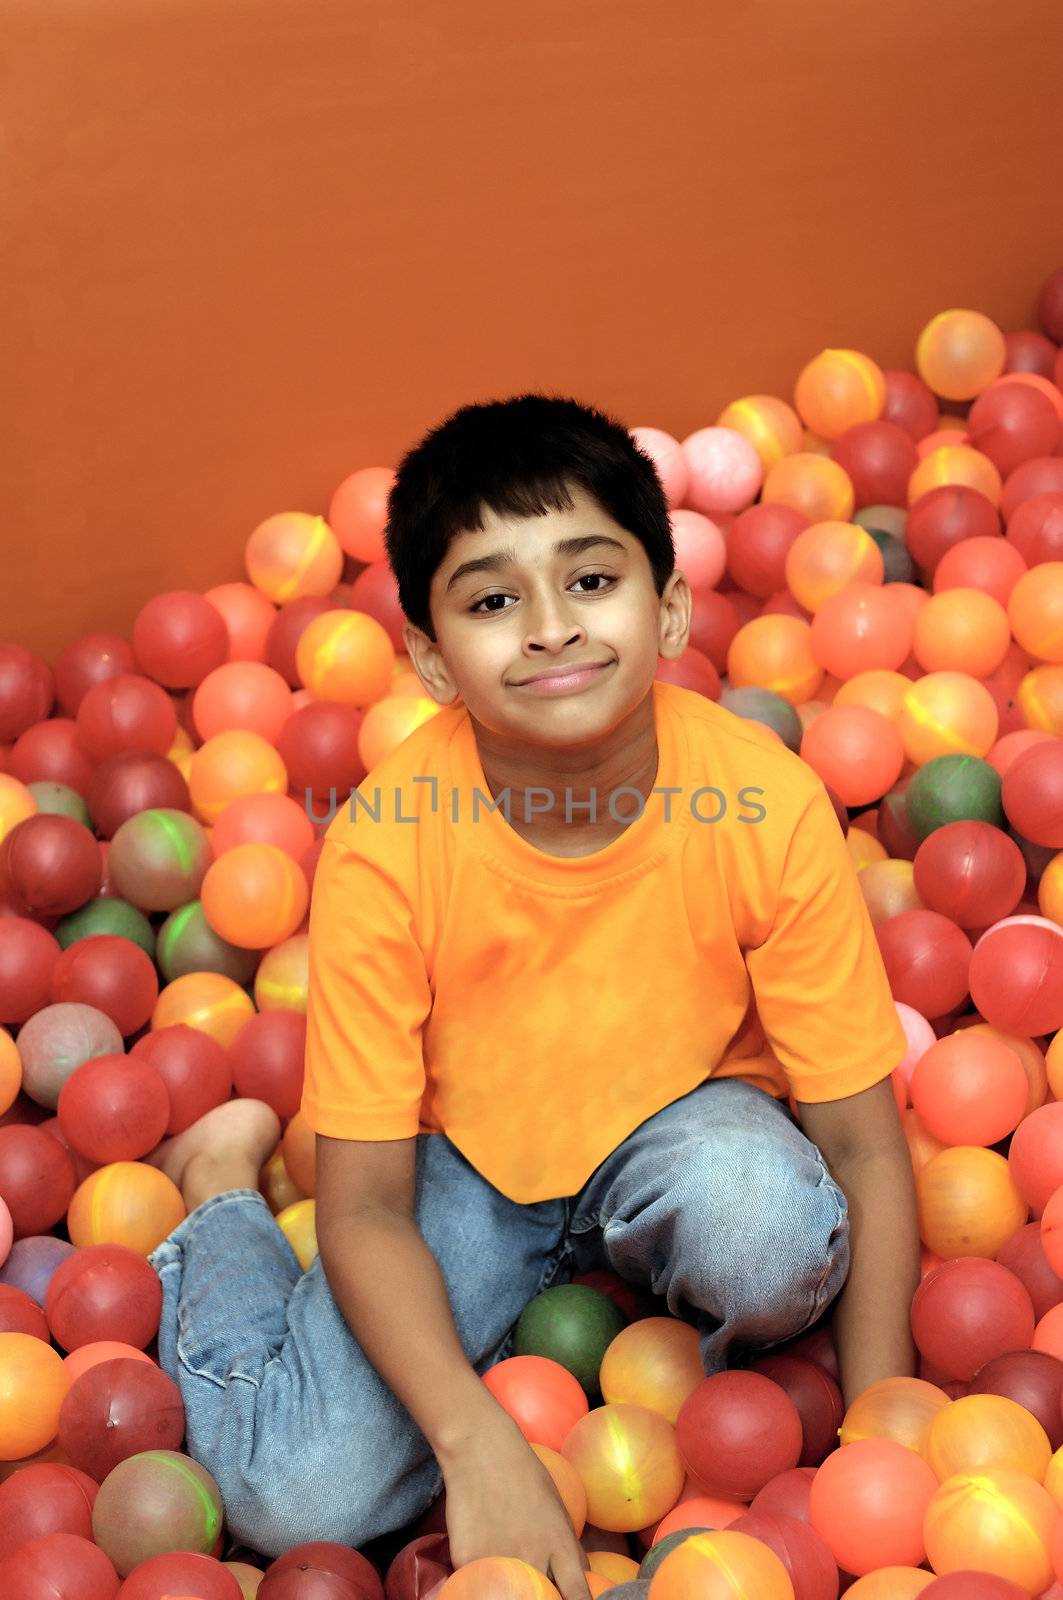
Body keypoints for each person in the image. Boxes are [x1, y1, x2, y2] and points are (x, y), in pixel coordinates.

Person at [149, 393, 921, 1597]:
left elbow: (866, 1150)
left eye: (591, 579)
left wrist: (882, 1424)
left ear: (667, 609)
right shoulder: (385, 847)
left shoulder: (760, 803)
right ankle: (217, 1191)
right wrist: (477, 1441)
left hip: (682, 1117)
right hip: (465, 1168)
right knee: (293, 1496)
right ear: (427, 656)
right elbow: (360, 1212)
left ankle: (597, 1268)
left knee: (765, 1230)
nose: (551, 629)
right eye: (493, 600)